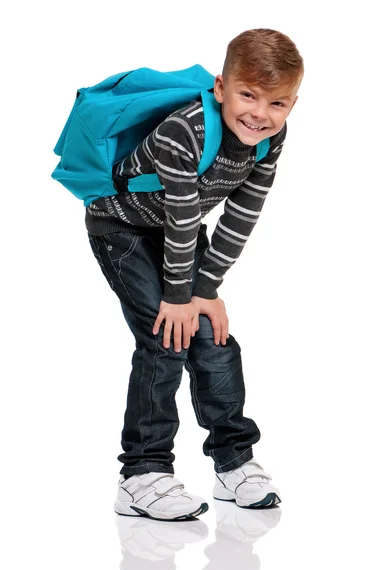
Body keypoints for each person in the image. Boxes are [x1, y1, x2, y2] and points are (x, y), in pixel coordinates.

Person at [86, 28, 304, 521]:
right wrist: (181, 297)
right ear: (222, 87)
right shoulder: (186, 130)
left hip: (175, 233)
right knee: (166, 335)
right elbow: (185, 214)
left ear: (292, 104)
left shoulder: (270, 139)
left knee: (213, 338)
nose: (260, 114)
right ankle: (142, 473)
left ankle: (234, 462)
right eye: (248, 95)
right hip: (121, 227)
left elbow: (242, 214)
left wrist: (205, 292)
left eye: (278, 103)